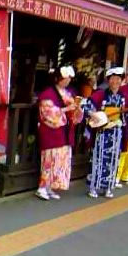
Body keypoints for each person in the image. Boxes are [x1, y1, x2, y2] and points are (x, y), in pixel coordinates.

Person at [35, 66, 84, 200]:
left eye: (69, 78)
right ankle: (42, 187)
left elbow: (74, 114)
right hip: (51, 131)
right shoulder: (47, 94)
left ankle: (50, 187)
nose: (67, 81)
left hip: (65, 132)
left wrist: (77, 109)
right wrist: (67, 109)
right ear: (57, 78)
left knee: (60, 161)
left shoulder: (69, 93)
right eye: (65, 78)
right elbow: (48, 113)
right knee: (49, 160)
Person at [85, 67, 126, 198]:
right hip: (103, 132)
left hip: (116, 132)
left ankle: (108, 187)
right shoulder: (101, 94)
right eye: (113, 79)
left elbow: (127, 112)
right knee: (99, 159)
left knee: (114, 161)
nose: (115, 81)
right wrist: (93, 115)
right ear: (108, 80)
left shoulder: (122, 97)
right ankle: (93, 187)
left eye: (118, 79)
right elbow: (86, 105)